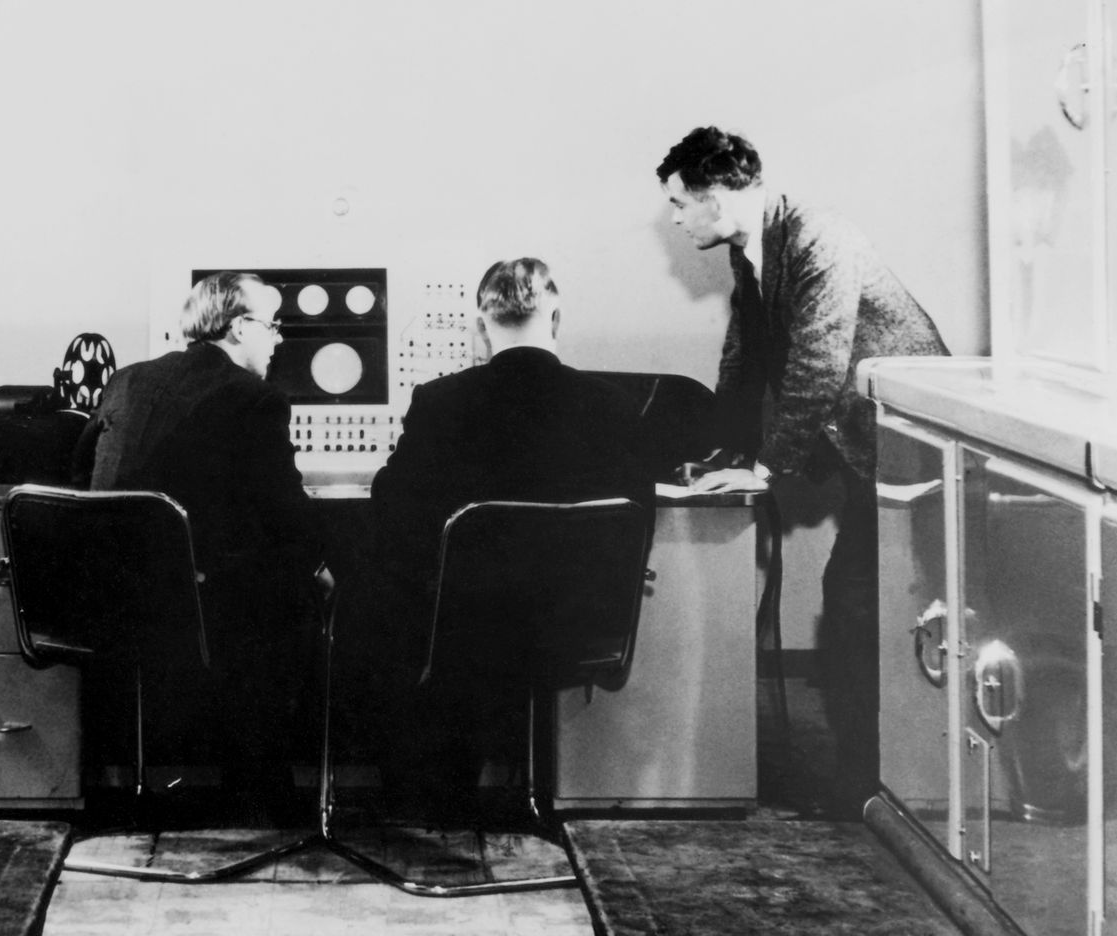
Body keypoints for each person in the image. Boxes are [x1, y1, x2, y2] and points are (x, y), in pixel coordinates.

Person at [654, 125, 949, 814]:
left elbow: (818, 361)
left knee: (858, 605)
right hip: (868, 448)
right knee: (856, 606)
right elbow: (745, 359)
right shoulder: (755, 251)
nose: (675, 219)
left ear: (716, 195)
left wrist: (764, 470)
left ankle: (868, 788)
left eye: (679, 203)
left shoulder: (818, 237)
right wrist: (719, 454)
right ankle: (869, 780)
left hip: (915, 452)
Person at [350, 257, 648, 806]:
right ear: (555, 318)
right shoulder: (613, 406)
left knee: (380, 599)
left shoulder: (440, 402)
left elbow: (393, 505)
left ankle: (421, 792)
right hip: (579, 621)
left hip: (468, 625)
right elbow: (637, 516)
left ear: (481, 326)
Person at [71, 271, 326, 803]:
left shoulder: (127, 380)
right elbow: (287, 512)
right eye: (272, 326)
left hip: (102, 598)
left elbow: (78, 473)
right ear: (238, 328)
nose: (278, 340)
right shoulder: (255, 399)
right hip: (197, 609)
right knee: (290, 594)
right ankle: (261, 793)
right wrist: (324, 567)